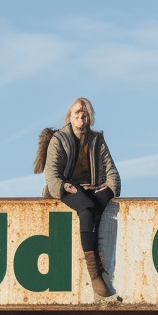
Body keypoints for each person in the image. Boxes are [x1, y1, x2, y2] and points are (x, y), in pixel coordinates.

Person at [43, 97, 121, 296]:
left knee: (96, 206)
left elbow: (111, 170)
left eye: (85, 114)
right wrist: (64, 186)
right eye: (77, 113)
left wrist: (110, 189)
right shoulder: (59, 139)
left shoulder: (97, 140)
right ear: (70, 116)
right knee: (86, 210)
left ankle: (103, 265)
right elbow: (51, 174)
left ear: (89, 118)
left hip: (93, 188)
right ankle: (95, 273)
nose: (81, 117)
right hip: (67, 187)